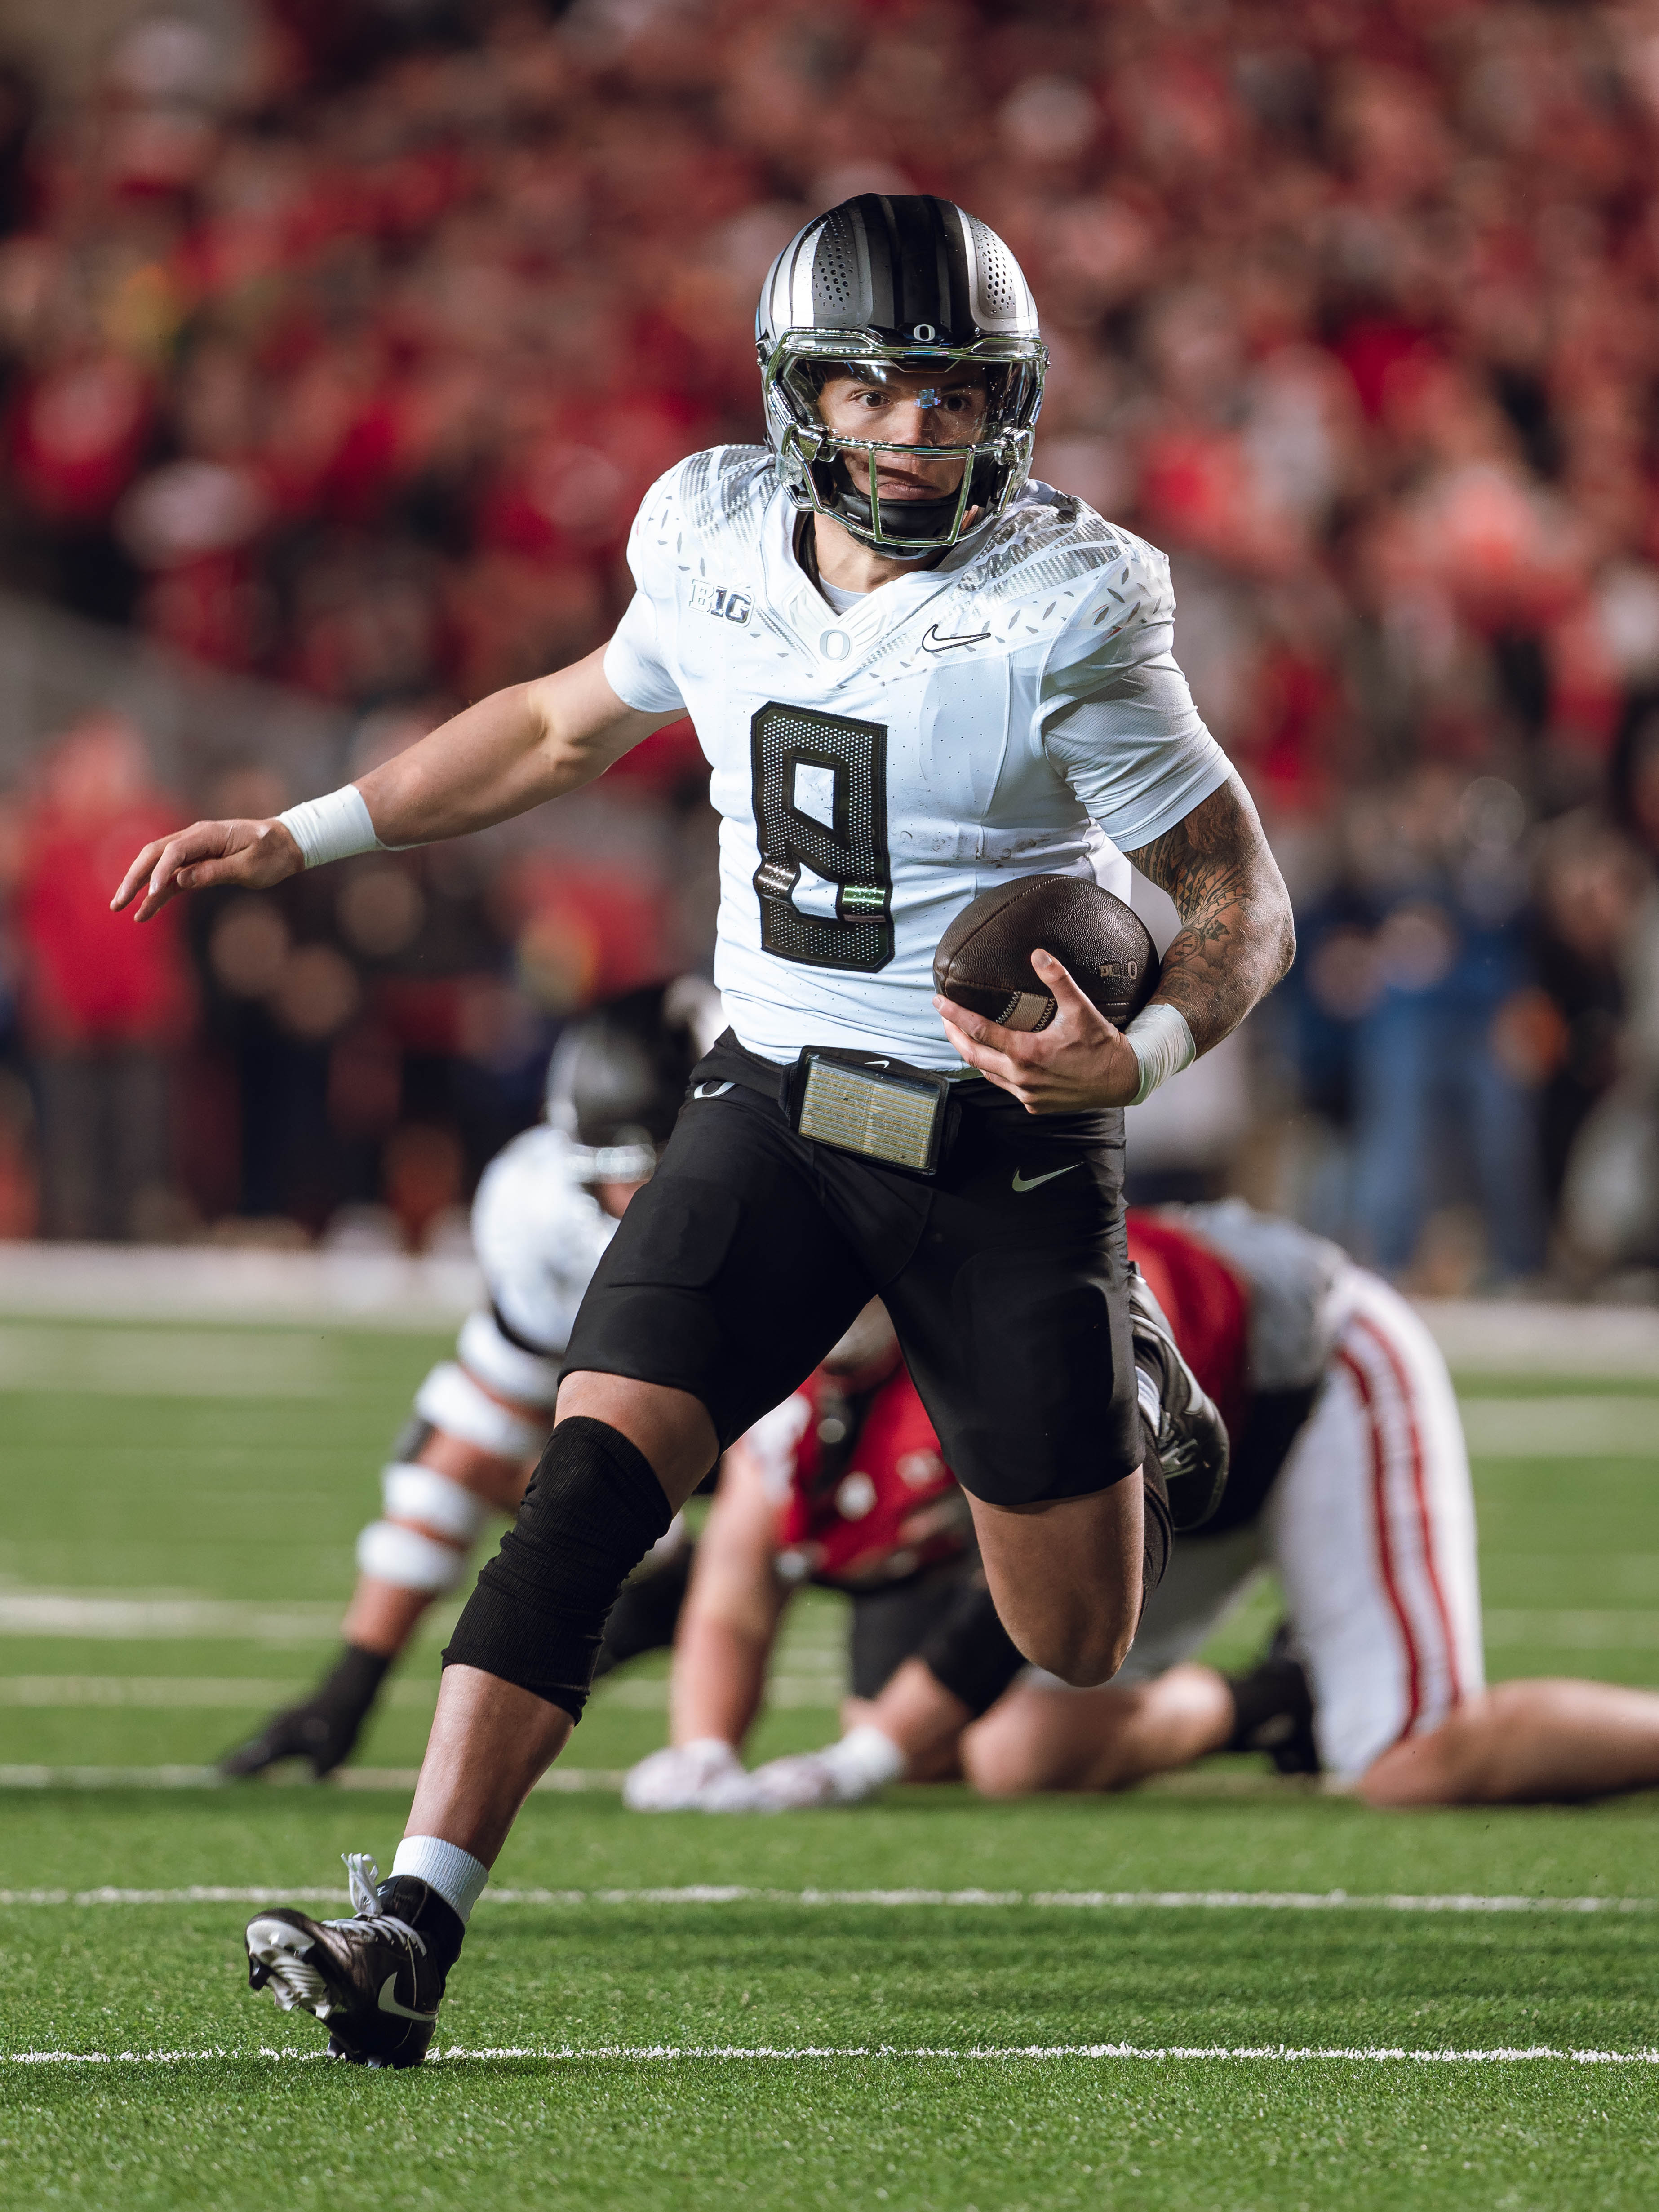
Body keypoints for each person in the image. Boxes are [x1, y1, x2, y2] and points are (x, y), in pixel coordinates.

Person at [111, 194, 1293, 2066]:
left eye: (956, 395)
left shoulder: (1073, 600)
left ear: (1013, 405)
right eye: (877, 388)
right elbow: (556, 729)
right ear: (795, 396)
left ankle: (1112, 1343)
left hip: (997, 1140)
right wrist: (313, 830)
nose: (920, 430)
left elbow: (1236, 903)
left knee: (1071, 1639)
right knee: (584, 1486)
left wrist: (1128, 1065)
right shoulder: (712, 532)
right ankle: (414, 1920)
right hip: (769, 1102)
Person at [735, 1203, 1659, 1816]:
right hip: (1167, 1476)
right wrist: (702, 1748)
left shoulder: (996, 1315)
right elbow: (745, 1563)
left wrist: (861, 1759)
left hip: (1302, 1386)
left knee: (1415, 1761)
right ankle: (1275, 1700)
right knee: (1019, 1752)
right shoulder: (831, 1383)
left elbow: (1015, 1596)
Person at [221, 980, 719, 1780]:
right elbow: (475, 1426)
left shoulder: (802, 1189)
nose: (623, 1200)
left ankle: (699, 1655)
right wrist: (352, 1682)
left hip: (849, 1465)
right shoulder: (541, 1209)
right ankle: (667, 1580)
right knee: (457, 1446)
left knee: (993, 1758)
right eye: (610, 1169)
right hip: (693, 1454)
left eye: (648, 1166)